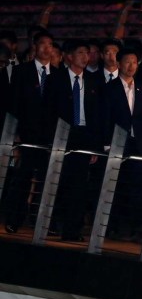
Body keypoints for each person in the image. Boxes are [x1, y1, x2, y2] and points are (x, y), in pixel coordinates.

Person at [44, 39, 102, 241]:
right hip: (62, 136)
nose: (85, 57)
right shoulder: (55, 79)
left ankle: (72, 230)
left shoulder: (94, 81)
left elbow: (97, 116)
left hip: (84, 136)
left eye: (87, 53)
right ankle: (52, 224)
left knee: (79, 187)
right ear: (69, 57)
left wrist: (95, 146)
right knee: (59, 183)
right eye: (80, 53)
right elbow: (48, 112)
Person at [4, 31, 59, 234]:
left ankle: (43, 222)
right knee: (22, 179)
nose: (47, 48)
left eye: (50, 44)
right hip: (27, 135)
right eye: (43, 44)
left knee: (47, 180)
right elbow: (14, 104)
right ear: (35, 46)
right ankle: (14, 219)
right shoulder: (22, 71)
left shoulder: (57, 74)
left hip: (49, 137)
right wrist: (16, 134)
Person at [101, 48, 142, 240]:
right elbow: (105, 117)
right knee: (115, 186)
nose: (131, 66)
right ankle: (111, 226)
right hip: (116, 143)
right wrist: (106, 143)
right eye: (127, 62)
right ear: (119, 63)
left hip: (137, 144)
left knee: (137, 187)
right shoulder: (109, 88)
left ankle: (135, 227)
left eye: (135, 62)